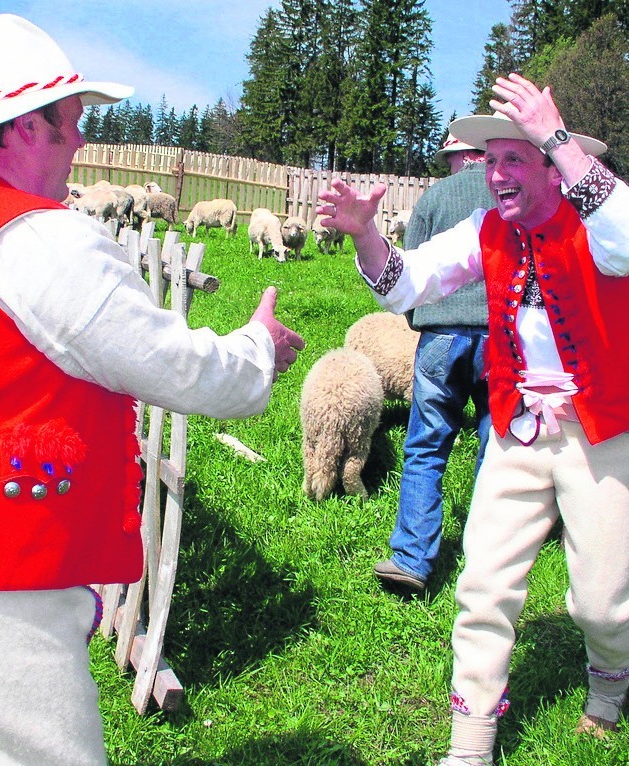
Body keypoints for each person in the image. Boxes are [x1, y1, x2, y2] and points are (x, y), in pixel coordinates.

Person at [0, 14, 304, 766]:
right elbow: (173, 364)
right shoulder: (37, 240)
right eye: (69, 122)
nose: (78, 142)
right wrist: (258, 349)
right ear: (24, 127)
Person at [318, 73, 628, 765]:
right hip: (518, 432)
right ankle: (471, 743)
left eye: (512, 159)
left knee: (602, 605)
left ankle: (608, 689)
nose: (495, 174)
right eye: (489, 162)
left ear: (552, 163)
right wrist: (367, 233)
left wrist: (556, 134)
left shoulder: (601, 224)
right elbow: (407, 282)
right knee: (483, 586)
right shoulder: (486, 226)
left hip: (601, 433)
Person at [374, 134, 495, 593]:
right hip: (497, 338)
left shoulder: (433, 199)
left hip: (442, 336)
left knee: (426, 444)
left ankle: (412, 558)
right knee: (497, 447)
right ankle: (487, 559)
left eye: (449, 158)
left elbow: (411, 269)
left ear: (463, 156)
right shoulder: (510, 193)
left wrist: (415, 320)